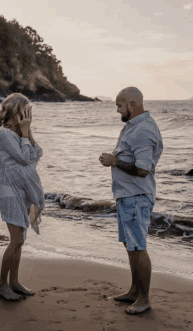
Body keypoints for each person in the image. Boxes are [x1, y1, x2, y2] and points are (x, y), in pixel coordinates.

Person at [99, 86, 163, 314]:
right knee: (130, 245)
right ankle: (135, 291)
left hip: (136, 196)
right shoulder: (132, 127)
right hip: (127, 195)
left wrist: (114, 161)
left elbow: (144, 169)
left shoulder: (143, 130)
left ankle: (144, 299)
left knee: (138, 246)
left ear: (132, 105)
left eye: (119, 106)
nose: (118, 111)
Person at [0, 93, 45, 300]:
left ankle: (14, 282)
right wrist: (25, 132)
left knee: (21, 239)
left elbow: (37, 154)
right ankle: (2, 285)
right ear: (13, 112)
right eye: (24, 112)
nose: (27, 116)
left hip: (22, 189)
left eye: (28, 113)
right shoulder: (3, 134)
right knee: (15, 240)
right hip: (9, 189)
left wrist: (27, 130)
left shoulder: (20, 133)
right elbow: (25, 158)